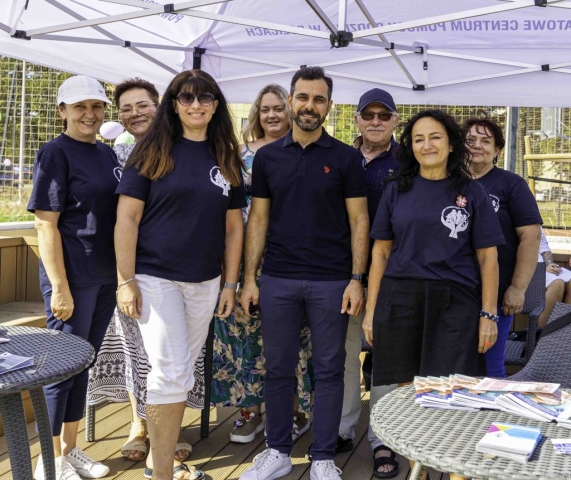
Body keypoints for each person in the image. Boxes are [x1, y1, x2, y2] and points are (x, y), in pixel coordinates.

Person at [115, 69, 246, 480]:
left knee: (182, 371)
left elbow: (234, 227)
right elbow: (127, 219)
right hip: (157, 276)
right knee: (170, 370)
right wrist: (125, 279)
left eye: (204, 98)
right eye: (186, 97)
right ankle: (162, 474)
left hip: (206, 281)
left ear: (215, 105)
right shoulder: (153, 151)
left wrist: (230, 283)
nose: (195, 105)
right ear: (174, 104)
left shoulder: (226, 155)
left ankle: (162, 459)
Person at [240, 66, 369, 480]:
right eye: (303, 97)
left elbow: (359, 222)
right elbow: (257, 220)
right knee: (277, 367)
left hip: (332, 281)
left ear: (329, 106)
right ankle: (276, 451)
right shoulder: (267, 157)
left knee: (329, 370)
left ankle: (324, 458)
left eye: (318, 99)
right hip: (277, 279)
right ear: (291, 99)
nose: (309, 106)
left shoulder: (347, 158)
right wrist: (249, 279)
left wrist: (356, 278)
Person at [86, 78, 196, 466]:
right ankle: (139, 425)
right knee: (138, 351)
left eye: (142, 105)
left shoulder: (185, 144)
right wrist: (124, 277)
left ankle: (172, 429)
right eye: (126, 109)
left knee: (176, 356)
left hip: (180, 269)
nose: (135, 113)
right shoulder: (117, 155)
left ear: (160, 105)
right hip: (131, 269)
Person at [363, 110, 504, 389]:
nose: (427, 145)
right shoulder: (395, 189)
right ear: (411, 147)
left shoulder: (472, 192)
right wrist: (371, 312)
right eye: (418, 139)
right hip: (400, 300)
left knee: (449, 393)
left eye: (435, 137)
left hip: (455, 303)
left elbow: (488, 258)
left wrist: (488, 315)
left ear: (451, 144)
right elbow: (380, 253)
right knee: (405, 393)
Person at [27, 75, 119, 480]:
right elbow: (46, 226)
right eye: (80, 106)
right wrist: (60, 289)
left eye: (96, 106)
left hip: (104, 278)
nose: (89, 114)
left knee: (83, 364)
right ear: (62, 110)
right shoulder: (55, 153)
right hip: (72, 279)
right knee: (59, 369)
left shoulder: (107, 155)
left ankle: (71, 449)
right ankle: (48, 462)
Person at [210, 84, 313, 444]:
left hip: (287, 256)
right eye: (265, 108)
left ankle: (295, 411)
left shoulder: (300, 153)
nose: (272, 115)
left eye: (278, 108)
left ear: (290, 111)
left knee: (292, 336)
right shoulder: (239, 155)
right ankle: (249, 412)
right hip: (242, 254)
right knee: (244, 333)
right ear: (257, 113)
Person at [338, 88, 400, 479]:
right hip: (340, 274)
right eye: (368, 114)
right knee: (342, 353)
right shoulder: (340, 158)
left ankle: (382, 438)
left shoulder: (408, 162)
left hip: (391, 274)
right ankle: (343, 427)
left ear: (395, 120)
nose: (376, 120)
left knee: (385, 360)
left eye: (384, 114)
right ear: (357, 120)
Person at [465, 117, 542, 376]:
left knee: (490, 365)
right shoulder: (449, 182)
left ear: (497, 150)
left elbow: (531, 237)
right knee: (453, 367)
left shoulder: (511, 184)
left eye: (486, 141)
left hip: (498, 294)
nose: (477, 146)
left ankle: (492, 417)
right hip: (455, 292)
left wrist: (518, 288)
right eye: (470, 140)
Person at [538, 228, 567, 327]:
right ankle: (541, 336)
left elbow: (544, 248)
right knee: (557, 284)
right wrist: (541, 268)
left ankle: (563, 333)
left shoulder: (534, 222)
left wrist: (550, 265)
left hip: (543, 267)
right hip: (526, 270)